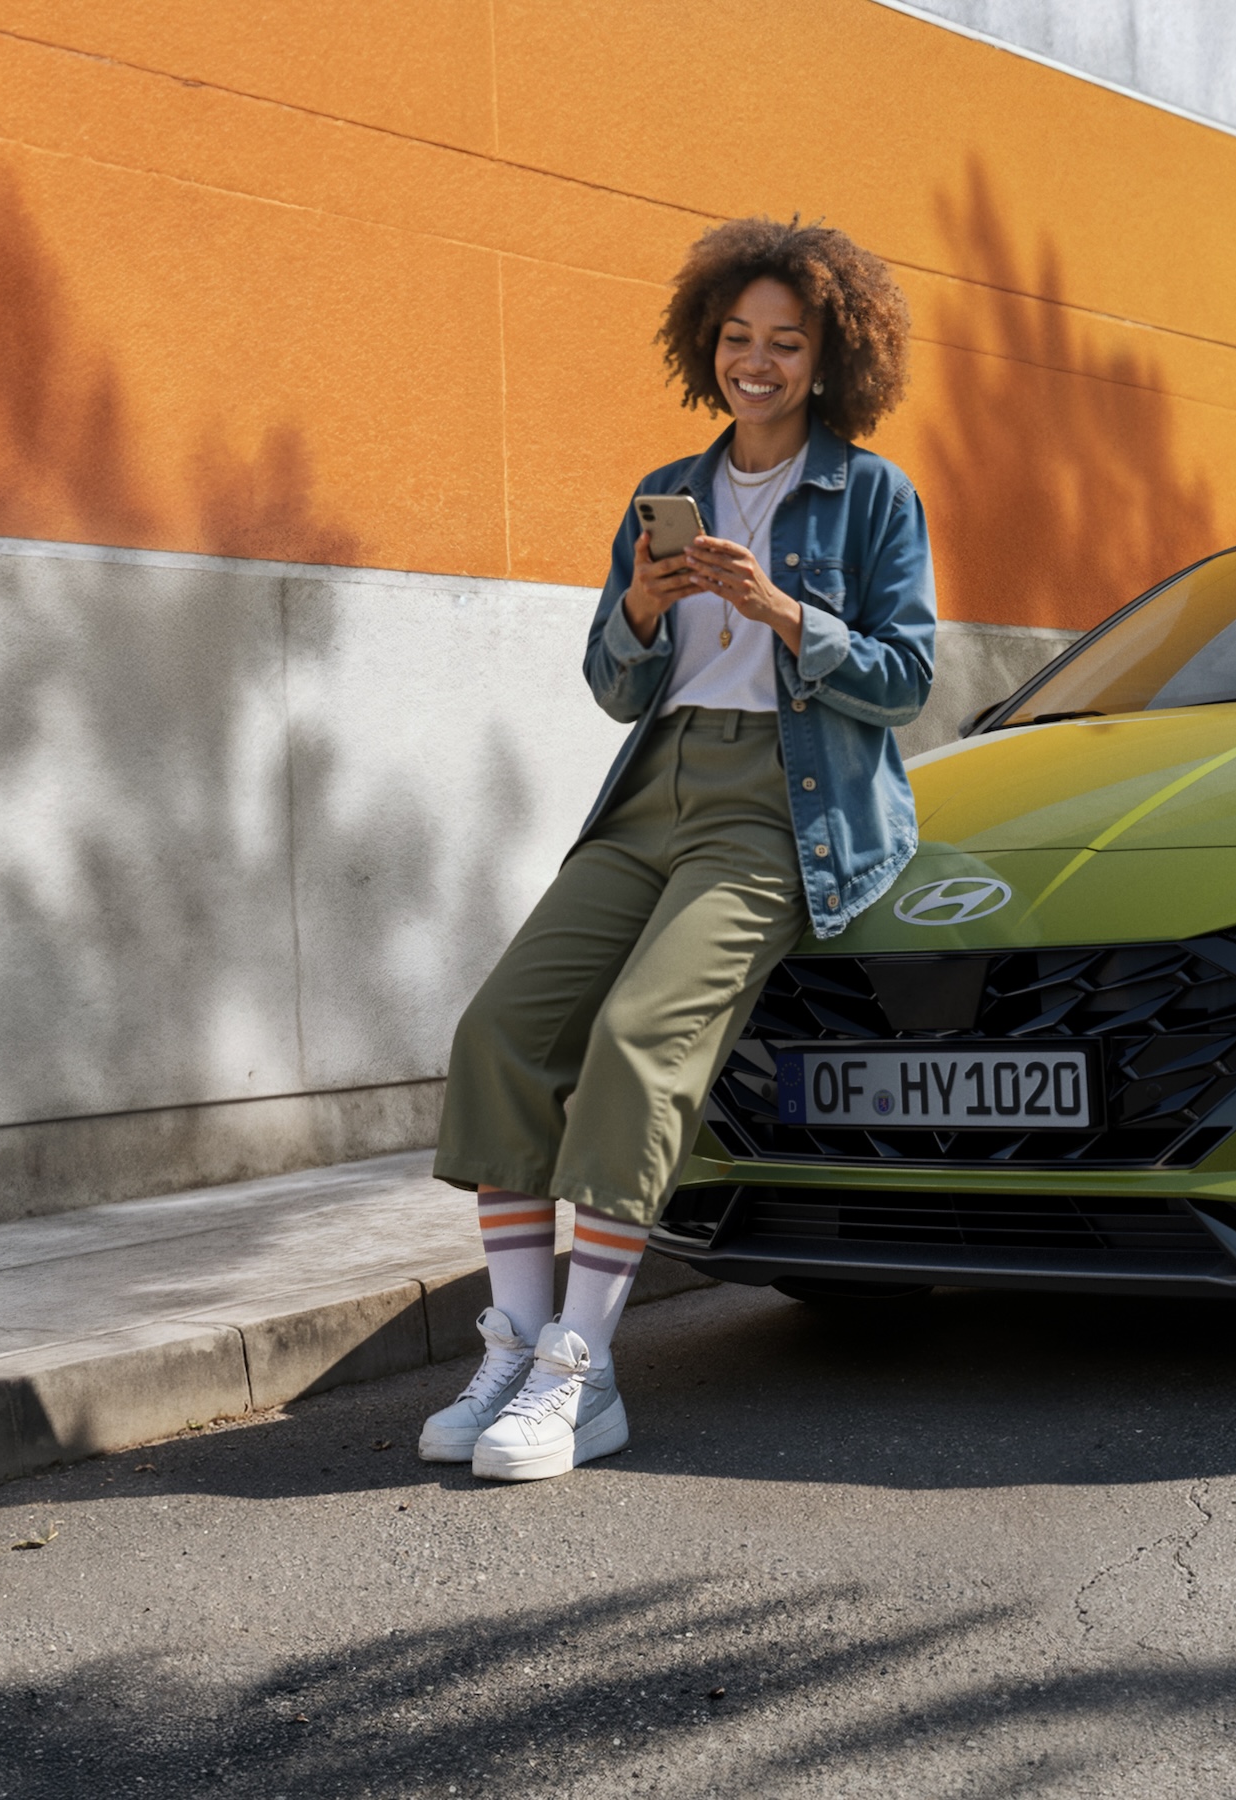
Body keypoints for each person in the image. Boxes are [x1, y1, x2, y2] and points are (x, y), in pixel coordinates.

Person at [418, 217, 936, 1482]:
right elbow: (610, 683)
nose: (756, 362)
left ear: (829, 358)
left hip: (780, 800)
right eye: (737, 337)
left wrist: (783, 612)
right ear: (709, 344)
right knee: (501, 1031)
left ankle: (578, 1378)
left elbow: (907, 674)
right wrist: (644, 611)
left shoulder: (870, 494)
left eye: (786, 343)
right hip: (654, 789)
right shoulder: (669, 487)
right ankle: (514, 1348)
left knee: (636, 1040)